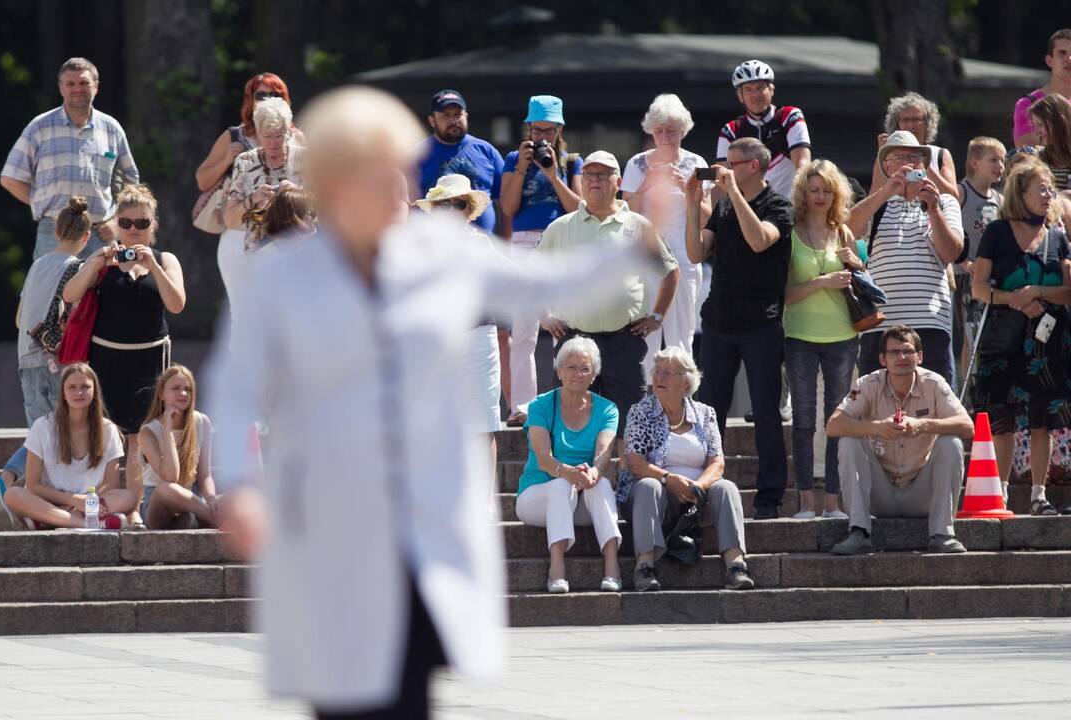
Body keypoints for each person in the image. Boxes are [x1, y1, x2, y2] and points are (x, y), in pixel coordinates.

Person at [208, 85, 669, 719]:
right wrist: (238, 486)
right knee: (341, 684)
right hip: (330, 510)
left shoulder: (444, 251)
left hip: (422, 510)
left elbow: (545, 280)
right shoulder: (286, 275)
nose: (394, 185)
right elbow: (233, 388)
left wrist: (645, 233)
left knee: (410, 681)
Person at [63, 184, 186, 528]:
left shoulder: (165, 259)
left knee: (139, 438)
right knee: (107, 436)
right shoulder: (102, 259)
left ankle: (133, 509)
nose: (133, 230)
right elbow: (71, 295)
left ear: (153, 225)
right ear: (117, 224)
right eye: (127, 222)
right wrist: (96, 263)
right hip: (107, 359)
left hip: (149, 361)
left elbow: (177, 304)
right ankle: (106, 508)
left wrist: (152, 267)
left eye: (142, 223)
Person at [684, 137, 794, 520]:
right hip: (719, 323)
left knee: (765, 411)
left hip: (762, 323)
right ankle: (703, 489)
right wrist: (691, 205)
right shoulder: (724, 204)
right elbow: (697, 253)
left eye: (730, 163)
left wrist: (731, 193)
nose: (722, 170)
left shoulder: (778, 205)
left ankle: (769, 499)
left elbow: (761, 240)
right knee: (709, 410)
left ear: (753, 166)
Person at [539, 150, 679, 442]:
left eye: (603, 175)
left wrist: (657, 316)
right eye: (589, 174)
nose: (595, 181)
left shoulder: (639, 225)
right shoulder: (561, 227)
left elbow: (669, 271)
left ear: (617, 182)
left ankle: (628, 486)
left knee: (630, 427)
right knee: (568, 425)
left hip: (623, 341)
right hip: (574, 340)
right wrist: (544, 315)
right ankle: (573, 485)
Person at [970, 158, 1071, 516]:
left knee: (1043, 417)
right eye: (1040, 189)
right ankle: (1000, 494)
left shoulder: (1058, 236)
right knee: (1003, 418)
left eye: (1050, 189)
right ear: (1021, 193)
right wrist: (1012, 299)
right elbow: (979, 287)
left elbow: (1067, 290)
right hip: (1004, 334)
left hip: (1046, 340)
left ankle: (1038, 496)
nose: (1048, 195)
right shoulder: (997, 232)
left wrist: (1035, 292)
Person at [826, 325, 974, 555]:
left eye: (907, 351)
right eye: (894, 353)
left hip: (921, 492)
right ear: (882, 359)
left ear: (920, 357)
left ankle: (943, 533)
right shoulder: (866, 384)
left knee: (951, 442)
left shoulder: (935, 383)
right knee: (849, 441)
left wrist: (924, 425)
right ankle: (858, 531)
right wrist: (876, 428)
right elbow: (833, 425)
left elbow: (967, 426)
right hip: (880, 493)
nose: (902, 357)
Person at [0, 198, 93, 529]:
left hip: (26, 358)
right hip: (56, 361)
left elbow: (21, 317)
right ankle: (11, 481)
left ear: (56, 231)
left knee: (40, 431)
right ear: (87, 235)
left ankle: (15, 487)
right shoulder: (77, 267)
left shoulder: (37, 265)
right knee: (54, 432)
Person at [618, 347, 753, 592]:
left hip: (695, 498)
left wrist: (699, 486)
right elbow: (634, 462)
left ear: (686, 381)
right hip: (653, 494)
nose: (659, 378)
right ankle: (645, 567)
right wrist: (668, 479)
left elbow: (717, 462)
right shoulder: (640, 412)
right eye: (657, 372)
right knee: (649, 486)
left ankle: (736, 565)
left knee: (726, 488)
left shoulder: (704, 413)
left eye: (668, 373)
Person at [847, 130, 964, 384]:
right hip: (879, 327)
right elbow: (845, 231)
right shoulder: (876, 204)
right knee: (876, 408)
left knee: (933, 410)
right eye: (898, 157)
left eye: (914, 156)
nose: (907, 163)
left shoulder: (943, 202)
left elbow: (951, 252)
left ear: (923, 163)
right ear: (886, 166)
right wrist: (884, 192)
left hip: (930, 324)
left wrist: (933, 209)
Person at [0, 57, 139, 261]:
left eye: (84, 83)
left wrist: (118, 221)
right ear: (61, 88)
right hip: (54, 231)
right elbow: (10, 178)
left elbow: (131, 181)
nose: (77, 89)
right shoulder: (40, 127)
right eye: (71, 83)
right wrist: (40, 202)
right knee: (52, 292)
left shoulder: (111, 129)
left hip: (100, 233)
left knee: (102, 293)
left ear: (96, 87)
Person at [499, 95, 584, 427]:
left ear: (560, 128)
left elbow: (578, 207)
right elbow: (507, 208)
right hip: (523, 243)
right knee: (523, 329)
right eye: (536, 130)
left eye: (549, 130)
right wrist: (522, 166)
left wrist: (552, 174)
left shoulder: (572, 160)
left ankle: (567, 403)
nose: (542, 138)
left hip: (560, 240)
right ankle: (522, 406)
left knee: (563, 325)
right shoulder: (513, 158)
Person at [783, 160, 861, 519]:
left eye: (827, 190)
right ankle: (805, 502)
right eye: (814, 189)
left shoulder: (843, 232)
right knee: (802, 419)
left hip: (842, 334)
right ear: (803, 192)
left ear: (836, 194)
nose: (820, 196)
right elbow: (782, 293)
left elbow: (861, 282)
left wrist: (856, 265)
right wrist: (820, 283)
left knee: (835, 418)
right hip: (799, 334)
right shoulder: (791, 231)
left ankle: (833, 501)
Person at [516, 337, 622, 594]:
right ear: (559, 370)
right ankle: (556, 567)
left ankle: (612, 566)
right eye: (571, 367)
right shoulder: (541, 405)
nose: (578, 374)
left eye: (585, 368)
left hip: (582, 501)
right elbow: (543, 456)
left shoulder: (607, 409)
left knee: (603, 484)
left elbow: (604, 452)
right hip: (537, 497)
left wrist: (594, 472)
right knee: (560, 486)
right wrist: (569, 474)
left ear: (594, 375)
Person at [415, 174, 504, 476]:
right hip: (438, 342)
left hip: (478, 337)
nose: (452, 210)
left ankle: (485, 502)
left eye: (458, 204)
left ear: (468, 210)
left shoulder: (482, 245)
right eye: (444, 205)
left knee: (482, 423)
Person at [195, 72, 302, 318]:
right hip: (240, 232)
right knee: (242, 315)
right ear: (249, 99)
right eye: (260, 94)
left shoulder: (297, 140)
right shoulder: (235, 136)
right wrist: (226, 158)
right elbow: (202, 180)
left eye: (273, 94)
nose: (266, 99)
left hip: (286, 236)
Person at [621, 93, 710, 371]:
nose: (665, 136)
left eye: (671, 130)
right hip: (645, 256)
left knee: (681, 338)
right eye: (659, 130)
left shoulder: (697, 163)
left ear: (683, 130)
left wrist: (688, 189)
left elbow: (707, 217)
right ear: (651, 131)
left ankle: (682, 405)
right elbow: (625, 213)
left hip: (684, 255)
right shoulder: (637, 163)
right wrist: (646, 184)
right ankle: (643, 407)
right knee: (644, 337)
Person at [3, 363, 133, 530]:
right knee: (13, 494)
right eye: (72, 387)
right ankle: (82, 522)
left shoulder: (108, 429)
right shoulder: (42, 426)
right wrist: (73, 500)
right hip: (47, 500)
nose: (79, 392)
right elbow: (33, 484)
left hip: (90, 501)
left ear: (94, 392)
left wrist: (84, 501)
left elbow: (111, 485)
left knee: (128, 497)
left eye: (85, 387)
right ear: (63, 393)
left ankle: (46, 520)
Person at [138, 365, 219, 529]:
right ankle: (213, 519)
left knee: (229, 499)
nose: (183, 394)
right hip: (158, 504)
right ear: (162, 394)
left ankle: (189, 520)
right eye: (175, 388)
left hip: (192, 498)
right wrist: (167, 429)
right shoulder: (148, 432)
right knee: (166, 489)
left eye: (187, 389)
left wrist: (212, 499)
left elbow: (204, 475)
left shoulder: (201, 422)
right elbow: (170, 476)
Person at [717, 59, 811, 199]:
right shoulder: (730, 130)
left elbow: (802, 164)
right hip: (749, 209)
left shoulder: (789, 116)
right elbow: (722, 176)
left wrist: (798, 206)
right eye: (748, 89)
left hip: (789, 207)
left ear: (771, 89)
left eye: (761, 87)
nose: (756, 95)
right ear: (740, 96)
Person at [224, 97, 306, 257]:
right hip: (260, 254)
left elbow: (329, 209)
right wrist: (253, 199)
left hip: (304, 252)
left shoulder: (304, 158)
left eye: (279, 136)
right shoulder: (245, 162)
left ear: (289, 131)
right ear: (257, 133)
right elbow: (230, 221)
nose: (273, 143)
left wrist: (296, 194)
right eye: (267, 136)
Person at [416, 89, 505, 233]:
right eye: (446, 115)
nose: (453, 120)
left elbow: (505, 202)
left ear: (466, 116)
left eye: (458, 114)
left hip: (483, 247)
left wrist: (506, 241)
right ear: (432, 120)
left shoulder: (487, 151)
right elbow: (406, 203)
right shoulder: (417, 154)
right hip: (432, 246)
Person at [953, 137, 1006, 374]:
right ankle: (968, 392)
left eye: (1002, 161)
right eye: (993, 160)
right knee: (969, 335)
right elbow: (941, 230)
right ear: (974, 163)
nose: (1000, 167)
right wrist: (962, 261)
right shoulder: (960, 193)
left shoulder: (999, 199)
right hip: (965, 277)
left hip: (991, 279)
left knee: (990, 336)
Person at [870, 92, 958, 197]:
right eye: (905, 120)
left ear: (927, 123)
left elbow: (954, 197)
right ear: (897, 124)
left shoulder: (939, 154)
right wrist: (883, 155)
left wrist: (925, 164)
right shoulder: (886, 155)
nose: (911, 125)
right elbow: (872, 199)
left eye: (916, 119)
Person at [1013, 29, 1071, 148]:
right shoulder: (1028, 104)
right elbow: (1028, 154)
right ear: (1049, 61)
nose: (1069, 59)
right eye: (1062, 53)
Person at [1029, 93, 1071, 191]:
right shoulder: (1037, 158)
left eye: (1040, 124)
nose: (1036, 132)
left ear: (1060, 121)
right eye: (1034, 125)